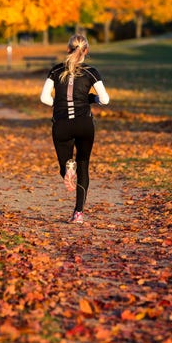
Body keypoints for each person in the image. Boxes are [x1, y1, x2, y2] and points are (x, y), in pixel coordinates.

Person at [40, 34, 110, 224]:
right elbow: (105, 99)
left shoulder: (55, 70)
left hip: (62, 125)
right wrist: (91, 99)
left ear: (68, 49)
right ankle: (78, 213)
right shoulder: (91, 71)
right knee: (84, 165)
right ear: (86, 50)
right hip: (84, 125)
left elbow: (44, 98)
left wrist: (60, 103)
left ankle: (67, 170)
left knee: (66, 165)